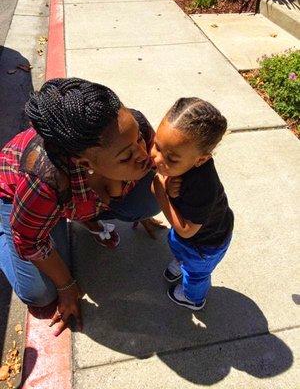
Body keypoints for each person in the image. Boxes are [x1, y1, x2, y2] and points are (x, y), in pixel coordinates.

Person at [0, 78, 161, 336]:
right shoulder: (45, 179)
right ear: (83, 162)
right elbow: (29, 241)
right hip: (16, 199)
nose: (143, 154)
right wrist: (66, 286)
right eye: (126, 156)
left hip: (64, 200)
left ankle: (78, 215)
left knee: (150, 199)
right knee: (40, 294)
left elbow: (149, 162)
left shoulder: (132, 127)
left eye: (139, 140)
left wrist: (139, 210)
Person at [151, 98, 234, 310]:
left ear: (201, 160)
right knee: (179, 247)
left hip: (205, 245)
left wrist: (161, 194)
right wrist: (169, 190)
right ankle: (182, 261)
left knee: (196, 274)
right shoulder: (185, 162)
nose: (158, 159)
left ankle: (193, 298)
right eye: (157, 146)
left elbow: (186, 230)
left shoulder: (204, 187)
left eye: (171, 158)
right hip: (192, 239)